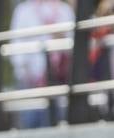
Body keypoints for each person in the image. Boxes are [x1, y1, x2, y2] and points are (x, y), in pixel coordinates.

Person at [8, 0, 74, 128]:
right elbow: (16, 50)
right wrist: (26, 75)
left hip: (60, 81)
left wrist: (61, 37)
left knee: (61, 122)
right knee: (30, 124)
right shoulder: (24, 10)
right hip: (31, 83)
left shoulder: (64, 10)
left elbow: (74, 47)